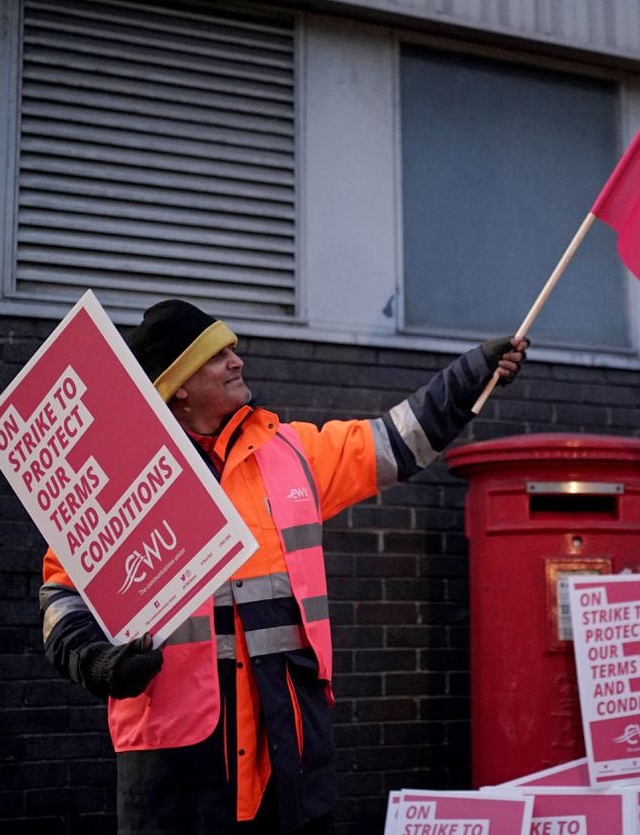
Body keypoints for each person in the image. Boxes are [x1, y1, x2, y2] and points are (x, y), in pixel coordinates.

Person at [38, 300, 528, 834]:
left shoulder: (290, 451)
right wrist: (96, 662)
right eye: (217, 355)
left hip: (289, 750)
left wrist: (471, 372)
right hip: (179, 765)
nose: (237, 361)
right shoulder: (117, 480)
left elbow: (392, 443)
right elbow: (63, 595)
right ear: (178, 384)